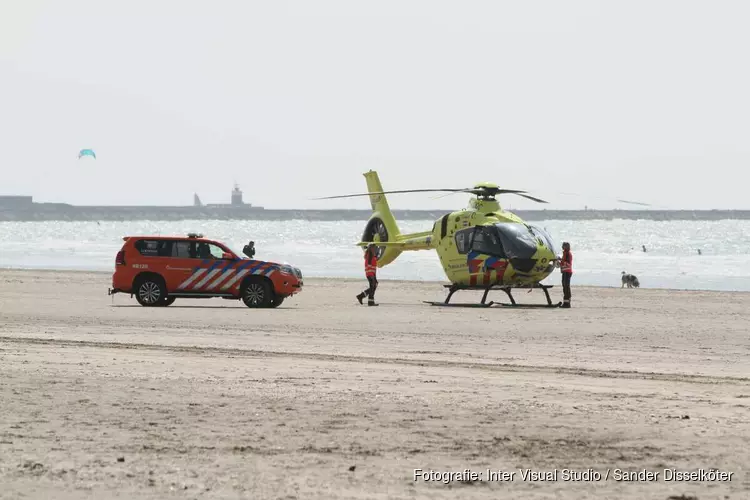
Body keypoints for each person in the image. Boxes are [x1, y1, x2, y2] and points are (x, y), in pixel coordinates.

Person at [559, 241, 573, 308]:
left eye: (564, 245)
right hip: (566, 272)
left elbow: (567, 263)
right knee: (565, 286)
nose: (562, 247)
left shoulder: (567, 254)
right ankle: (567, 301)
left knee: (566, 287)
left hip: (567, 272)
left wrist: (561, 262)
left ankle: (566, 303)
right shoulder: (565, 253)